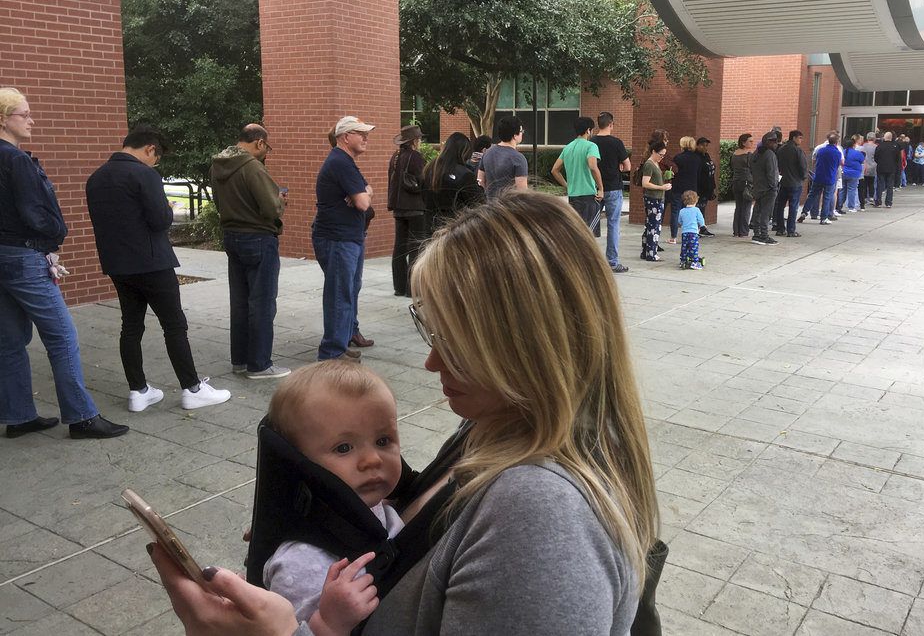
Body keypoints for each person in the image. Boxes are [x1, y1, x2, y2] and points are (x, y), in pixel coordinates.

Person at [150, 190, 659, 636]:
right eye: (431, 332)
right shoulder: (495, 426)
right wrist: (328, 519)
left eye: (456, 343)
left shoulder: (542, 517)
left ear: (528, 346)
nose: (431, 360)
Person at [0, 87, 129, 439]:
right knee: (62, 336)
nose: (31, 120)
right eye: (23, 115)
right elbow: (34, 213)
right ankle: (82, 417)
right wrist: (56, 233)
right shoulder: (15, 159)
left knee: (9, 340)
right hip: (24, 257)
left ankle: (19, 415)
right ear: (3, 119)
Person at [86, 125, 231, 412]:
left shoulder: (96, 178)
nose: (156, 162)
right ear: (150, 148)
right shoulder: (144, 174)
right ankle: (192, 388)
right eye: (157, 156)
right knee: (174, 325)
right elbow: (161, 220)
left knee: (131, 326)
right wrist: (166, 206)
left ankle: (138, 391)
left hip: (118, 264)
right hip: (152, 263)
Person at [263, 361, 403, 628]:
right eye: (343, 448)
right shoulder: (301, 564)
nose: (372, 460)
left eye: (383, 441)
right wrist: (328, 623)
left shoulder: (370, 506)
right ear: (299, 463)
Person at [211, 124, 289, 380]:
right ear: (259, 142)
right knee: (262, 303)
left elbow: (218, 202)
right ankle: (260, 364)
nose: (266, 151)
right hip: (258, 238)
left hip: (232, 237)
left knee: (240, 301)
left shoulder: (218, 165)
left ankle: (241, 360)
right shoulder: (253, 167)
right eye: (267, 146)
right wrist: (280, 201)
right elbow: (270, 208)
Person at [312, 116, 376, 362]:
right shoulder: (340, 162)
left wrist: (363, 193)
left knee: (347, 290)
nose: (366, 137)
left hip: (349, 237)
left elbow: (367, 190)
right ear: (345, 137)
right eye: (360, 133)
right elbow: (362, 202)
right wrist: (362, 194)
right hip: (338, 239)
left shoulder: (346, 162)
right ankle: (332, 352)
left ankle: (342, 340)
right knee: (339, 294)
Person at [387, 125, 426, 297]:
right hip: (415, 206)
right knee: (415, 247)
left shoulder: (395, 157)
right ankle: (412, 288)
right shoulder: (416, 157)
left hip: (398, 207)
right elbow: (423, 180)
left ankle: (399, 287)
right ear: (414, 141)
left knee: (399, 247)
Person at [591, 111, 630, 273]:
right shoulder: (617, 143)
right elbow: (628, 166)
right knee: (613, 224)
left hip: (594, 188)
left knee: (590, 224)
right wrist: (620, 166)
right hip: (613, 187)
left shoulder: (591, 142)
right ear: (611, 124)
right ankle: (612, 262)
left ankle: (589, 260)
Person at [550, 116, 603, 235]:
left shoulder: (568, 147)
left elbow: (554, 170)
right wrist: (601, 188)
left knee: (576, 234)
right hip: (589, 196)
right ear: (588, 130)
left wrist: (567, 185)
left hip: (573, 196)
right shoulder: (591, 146)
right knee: (589, 235)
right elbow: (593, 166)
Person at [421, 131, 484, 231]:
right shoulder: (465, 174)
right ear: (465, 152)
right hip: (455, 228)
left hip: (430, 225)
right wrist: (480, 187)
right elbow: (477, 202)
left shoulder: (430, 169)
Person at [478, 117, 528, 199]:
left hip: (490, 206)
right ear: (515, 135)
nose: (522, 133)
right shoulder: (518, 158)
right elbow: (522, 192)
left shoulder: (487, 153)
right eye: (521, 131)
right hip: (508, 208)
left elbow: (480, 181)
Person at [640, 136, 672, 261]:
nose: (661, 157)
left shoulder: (655, 163)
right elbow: (645, 183)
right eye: (660, 154)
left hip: (657, 197)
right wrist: (661, 187)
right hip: (653, 198)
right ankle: (651, 253)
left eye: (663, 155)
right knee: (654, 226)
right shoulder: (649, 164)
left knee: (650, 225)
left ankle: (646, 251)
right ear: (653, 151)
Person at [773, 129, 807, 237]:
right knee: (793, 207)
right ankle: (791, 230)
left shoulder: (781, 149)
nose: (801, 140)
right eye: (800, 138)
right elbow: (803, 166)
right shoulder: (797, 151)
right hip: (795, 182)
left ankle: (780, 228)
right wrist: (803, 177)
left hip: (784, 181)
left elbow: (777, 164)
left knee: (780, 206)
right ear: (794, 138)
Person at [804, 133, 843, 224]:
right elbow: (838, 165)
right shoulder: (837, 152)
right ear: (837, 142)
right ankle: (824, 218)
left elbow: (814, 161)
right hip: (830, 177)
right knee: (827, 198)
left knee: (812, 195)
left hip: (818, 176)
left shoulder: (820, 150)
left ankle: (804, 212)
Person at [667, 136, 700, 244]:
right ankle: (690, 235)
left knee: (675, 212)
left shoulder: (678, 158)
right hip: (692, 188)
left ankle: (673, 237)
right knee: (691, 212)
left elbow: (673, 172)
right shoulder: (697, 158)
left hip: (678, 187)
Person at [749, 132, 780, 245]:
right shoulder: (769, 154)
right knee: (766, 213)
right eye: (774, 141)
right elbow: (771, 173)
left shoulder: (755, 153)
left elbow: (751, 169)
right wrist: (774, 186)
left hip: (758, 187)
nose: (776, 144)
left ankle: (756, 234)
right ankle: (764, 235)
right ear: (769, 142)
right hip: (768, 188)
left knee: (757, 211)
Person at [731, 133, 755, 237]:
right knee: (746, 208)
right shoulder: (749, 154)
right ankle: (744, 231)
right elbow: (753, 169)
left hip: (736, 182)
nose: (752, 143)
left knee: (738, 207)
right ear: (743, 142)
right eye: (750, 141)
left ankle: (736, 230)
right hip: (747, 183)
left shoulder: (735, 154)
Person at [677, 190, 705, 270]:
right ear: (696, 200)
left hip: (685, 233)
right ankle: (694, 262)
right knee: (693, 248)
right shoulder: (696, 210)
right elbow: (701, 219)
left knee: (684, 247)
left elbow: (679, 221)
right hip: (693, 233)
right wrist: (702, 226)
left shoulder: (682, 211)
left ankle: (683, 261)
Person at [695, 137, 717, 237]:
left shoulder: (706, 156)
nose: (705, 147)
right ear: (697, 146)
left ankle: (702, 228)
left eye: (706, 145)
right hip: (699, 188)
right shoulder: (696, 157)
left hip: (707, 187)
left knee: (702, 208)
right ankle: (696, 229)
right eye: (702, 145)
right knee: (697, 209)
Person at [873, 131, 901, 208]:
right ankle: (888, 202)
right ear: (891, 138)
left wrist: (880, 162)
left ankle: (878, 201)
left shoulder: (879, 146)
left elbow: (876, 157)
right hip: (891, 168)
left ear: (884, 137)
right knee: (890, 186)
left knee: (880, 185)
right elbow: (898, 159)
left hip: (881, 168)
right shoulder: (895, 147)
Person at [841, 136, 866, 212]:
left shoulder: (843, 152)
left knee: (842, 190)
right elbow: (862, 160)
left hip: (843, 172)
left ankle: (839, 205)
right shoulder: (857, 153)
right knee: (852, 190)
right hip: (854, 174)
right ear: (853, 145)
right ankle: (851, 207)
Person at [858, 133, 877, 210]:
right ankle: (871, 196)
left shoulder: (863, 147)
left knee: (864, 183)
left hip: (865, 166)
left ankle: (865, 197)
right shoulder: (876, 147)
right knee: (872, 182)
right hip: (873, 165)